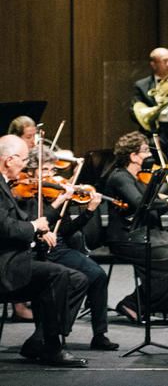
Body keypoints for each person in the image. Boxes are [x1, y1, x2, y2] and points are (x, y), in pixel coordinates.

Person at [0, 135, 87, 367]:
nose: (26, 166)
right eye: (25, 160)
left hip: (16, 257)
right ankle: (52, 345)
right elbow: (5, 228)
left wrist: (47, 216)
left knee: (77, 279)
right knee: (58, 275)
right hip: (5, 264)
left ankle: (41, 339)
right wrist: (33, 227)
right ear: (9, 159)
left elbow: (28, 223)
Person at [15, 146, 114, 351]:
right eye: (45, 170)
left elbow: (66, 230)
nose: (50, 176)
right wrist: (46, 225)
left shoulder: (54, 193)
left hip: (58, 248)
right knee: (75, 281)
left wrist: (88, 213)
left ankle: (100, 334)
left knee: (97, 275)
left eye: (53, 171)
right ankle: (45, 334)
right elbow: (29, 227)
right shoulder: (26, 195)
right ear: (31, 170)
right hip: (36, 251)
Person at [99, 131, 168, 324]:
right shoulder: (120, 177)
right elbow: (140, 203)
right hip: (125, 237)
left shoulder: (134, 176)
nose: (149, 155)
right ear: (133, 156)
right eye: (144, 151)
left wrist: (163, 199)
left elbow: (147, 199)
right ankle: (134, 303)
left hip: (139, 233)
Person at [132, 47, 168, 148]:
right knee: (154, 144)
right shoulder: (142, 85)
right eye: (165, 61)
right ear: (154, 65)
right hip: (158, 130)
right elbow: (134, 112)